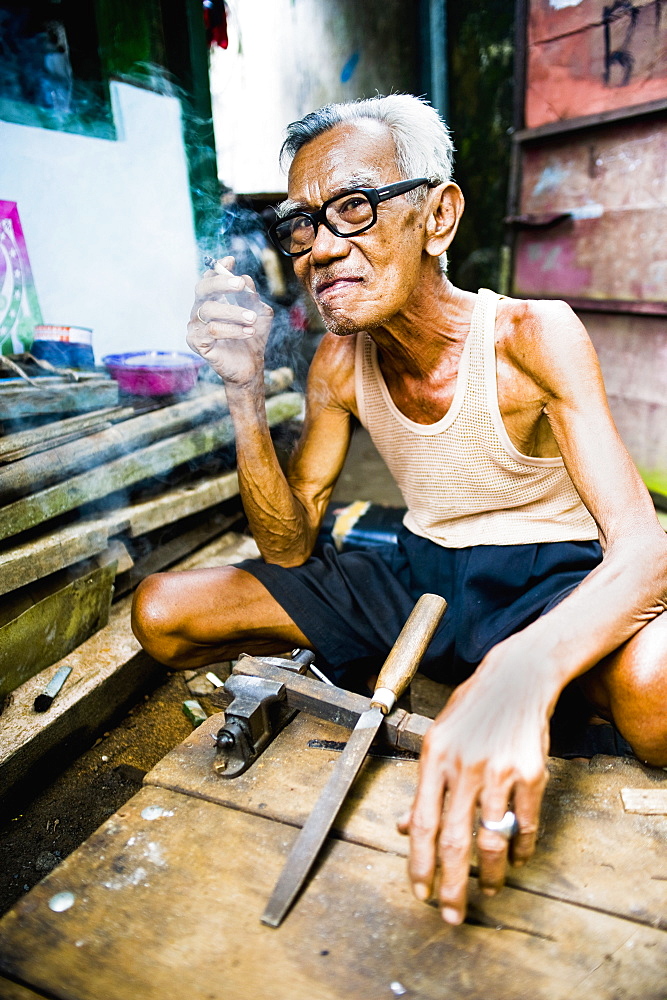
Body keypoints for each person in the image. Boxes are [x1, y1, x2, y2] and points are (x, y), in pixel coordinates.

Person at [131, 94, 667, 926]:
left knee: (658, 692)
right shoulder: (337, 364)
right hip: (416, 573)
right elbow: (286, 545)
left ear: (438, 216)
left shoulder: (530, 336)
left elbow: (644, 551)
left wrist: (519, 671)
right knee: (162, 612)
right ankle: (460, 671)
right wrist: (242, 394)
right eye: (302, 225)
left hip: (545, 583)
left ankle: (532, 684)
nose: (322, 248)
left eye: (353, 207)